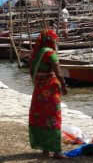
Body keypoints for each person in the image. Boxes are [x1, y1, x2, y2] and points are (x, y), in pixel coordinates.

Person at [29, 29, 68, 159]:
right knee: (53, 118)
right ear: (51, 40)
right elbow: (59, 72)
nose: (56, 41)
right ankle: (57, 151)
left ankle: (45, 149)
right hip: (50, 91)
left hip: (39, 91)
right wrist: (64, 85)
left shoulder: (36, 53)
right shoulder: (50, 53)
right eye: (54, 39)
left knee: (41, 118)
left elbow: (31, 71)